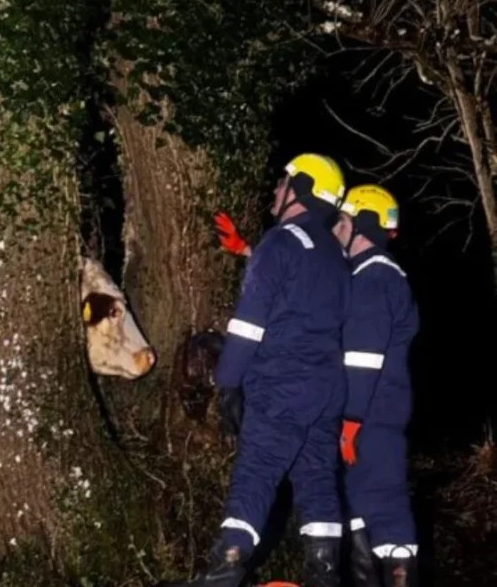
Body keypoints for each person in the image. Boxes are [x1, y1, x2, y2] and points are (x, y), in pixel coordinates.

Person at [163, 154, 350, 587]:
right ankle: (324, 575)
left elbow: (248, 326)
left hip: (282, 385)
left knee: (257, 471)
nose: (276, 189)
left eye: (284, 182)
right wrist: (248, 251)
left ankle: (224, 570)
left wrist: (228, 382)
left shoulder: (281, 242)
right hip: (326, 390)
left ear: (301, 188)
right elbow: (300, 291)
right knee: (317, 479)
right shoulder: (334, 254)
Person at [333, 184, 419, 587]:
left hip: (373, 415)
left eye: (342, 220)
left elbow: (363, 357)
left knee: (386, 507)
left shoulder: (376, 277)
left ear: (362, 224)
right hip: (367, 413)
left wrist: (351, 421)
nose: (335, 228)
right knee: (359, 507)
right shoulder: (365, 274)